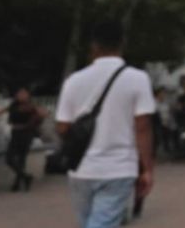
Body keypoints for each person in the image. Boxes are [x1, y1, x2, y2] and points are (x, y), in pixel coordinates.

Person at [56, 18, 155, 228]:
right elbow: (143, 128)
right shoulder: (138, 79)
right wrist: (147, 168)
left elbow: (62, 127)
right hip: (119, 168)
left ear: (93, 45)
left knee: (91, 223)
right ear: (122, 43)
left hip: (80, 169)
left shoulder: (74, 81)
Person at [0, 87, 46, 191]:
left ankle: (17, 184)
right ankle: (25, 177)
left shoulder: (31, 106)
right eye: (19, 93)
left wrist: (38, 112)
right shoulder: (14, 105)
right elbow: (1, 111)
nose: (21, 95)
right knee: (9, 158)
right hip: (15, 133)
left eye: (24, 93)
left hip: (26, 134)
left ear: (28, 95)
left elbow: (43, 113)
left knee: (21, 159)